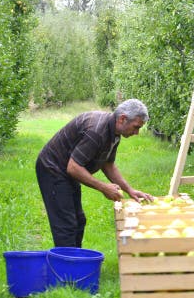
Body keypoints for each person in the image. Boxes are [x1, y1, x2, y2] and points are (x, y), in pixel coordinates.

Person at [35, 99, 155, 247]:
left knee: (79, 220)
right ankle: (66, 268)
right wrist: (104, 187)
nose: (136, 132)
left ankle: (76, 261)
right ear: (123, 118)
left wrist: (130, 190)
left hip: (67, 170)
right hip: (52, 168)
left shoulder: (115, 132)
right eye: (136, 127)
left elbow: (108, 164)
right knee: (66, 224)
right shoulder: (97, 132)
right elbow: (73, 168)